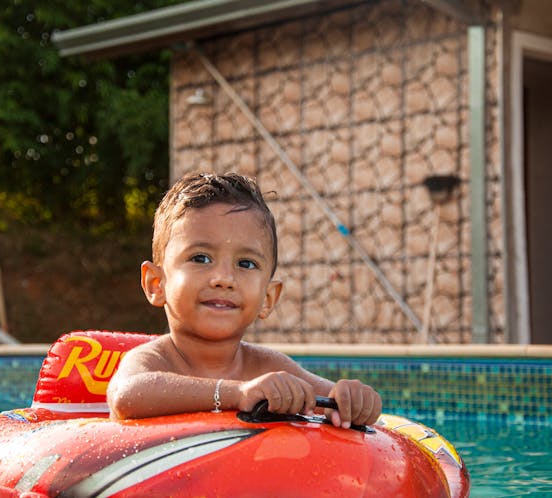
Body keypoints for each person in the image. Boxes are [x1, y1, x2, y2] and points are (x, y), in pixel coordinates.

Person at [107, 172, 382, 428]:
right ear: (156, 284)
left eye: (246, 263)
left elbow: (329, 397)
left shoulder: (268, 366)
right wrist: (237, 393)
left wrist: (351, 399)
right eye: (200, 258)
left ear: (268, 298)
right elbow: (127, 396)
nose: (224, 278)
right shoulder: (154, 360)